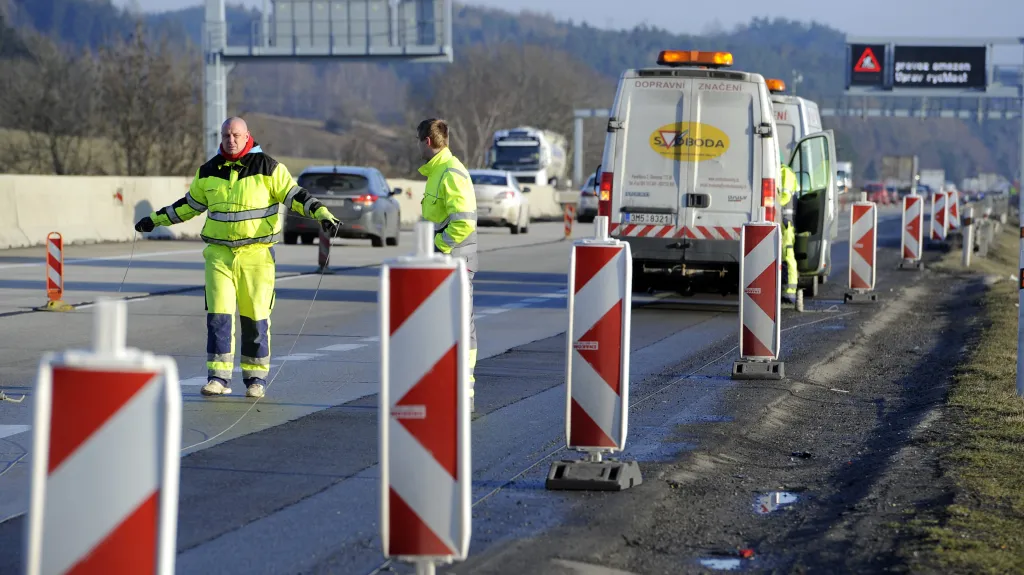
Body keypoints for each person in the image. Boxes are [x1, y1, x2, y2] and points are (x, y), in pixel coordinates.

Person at [134, 117, 340, 398]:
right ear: (221, 136)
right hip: (218, 255)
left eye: (236, 135)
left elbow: (295, 196)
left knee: (255, 318)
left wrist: (322, 214)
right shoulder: (208, 171)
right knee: (218, 316)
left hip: (256, 255)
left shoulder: (268, 167)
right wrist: (154, 220)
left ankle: (255, 379)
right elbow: (189, 206)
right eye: (227, 135)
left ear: (247, 137)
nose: (231, 140)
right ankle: (218, 378)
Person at [416, 118, 479, 409]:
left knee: (460, 327)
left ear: (426, 141)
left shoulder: (450, 172)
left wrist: (437, 247)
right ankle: (443, 389)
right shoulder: (437, 171)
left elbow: (463, 223)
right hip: (443, 263)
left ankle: (464, 395)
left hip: (455, 262)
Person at [779, 162, 798, 304]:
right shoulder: (784, 172)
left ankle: (790, 291)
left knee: (787, 255)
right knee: (785, 255)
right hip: (784, 222)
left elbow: (785, 196)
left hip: (786, 223)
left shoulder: (785, 173)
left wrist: (769, 203)